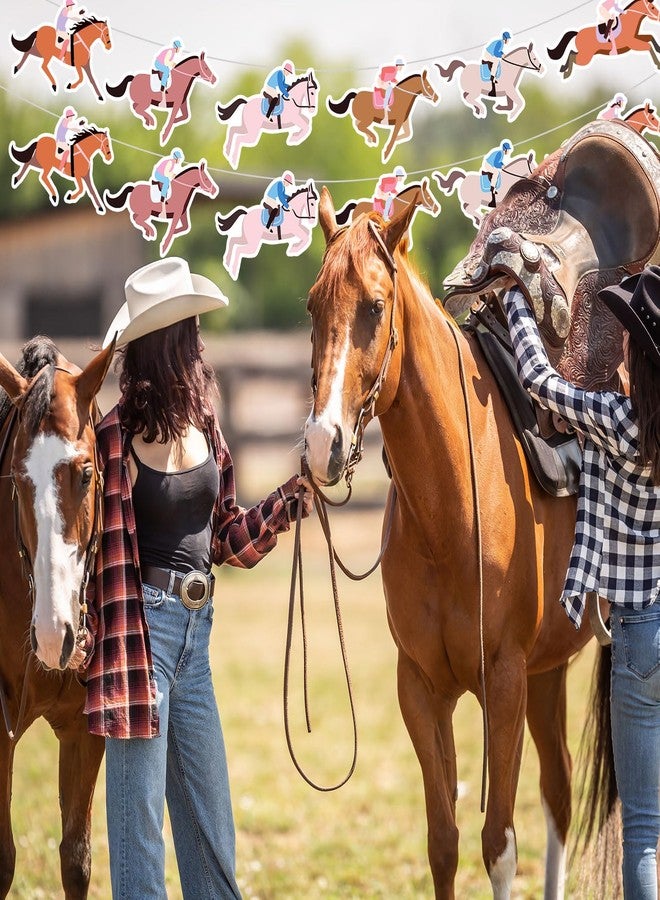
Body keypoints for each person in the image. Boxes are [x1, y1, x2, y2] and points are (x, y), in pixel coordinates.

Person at [79, 257, 313, 899]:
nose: (200, 345)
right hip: (141, 639)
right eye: (191, 333)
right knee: (140, 838)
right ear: (170, 343)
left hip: (195, 641)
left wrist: (291, 499)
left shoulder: (204, 424)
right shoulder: (114, 438)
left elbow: (226, 538)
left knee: (212, 831)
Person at [501, 268, 660, 899]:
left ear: (638, 358)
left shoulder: (619, 422)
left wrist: (515, 297)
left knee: (643, 831)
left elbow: (539, 380)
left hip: (639, 633)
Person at [152, 147, 184, 219]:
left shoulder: (173, 163)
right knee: (166, 181)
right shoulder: (170, 162)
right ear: (176, 158)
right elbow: (166, 173)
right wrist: (172, 175)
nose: (179, 160)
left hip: (162, 174)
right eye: (179, 158)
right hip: (158, 174)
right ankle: (163, 198)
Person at [480, 139, 512, 208]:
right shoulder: (500, 153)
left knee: (497, 172)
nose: (508, 151)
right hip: (488, 164)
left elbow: (499, 162)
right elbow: (495, 163)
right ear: (505, 149)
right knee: (496, 172)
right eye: (508, 149)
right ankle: (492, 188)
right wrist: (501, 166)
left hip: (490, 164)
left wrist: (503, 165)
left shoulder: (502, 154)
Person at [373, 57, 404, 125]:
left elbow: (392, 79)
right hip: (381, 80)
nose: (401, 67)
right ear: (398, 65)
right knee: (389, 89)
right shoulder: (393, 69)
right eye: (401, 66)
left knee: (390, 88)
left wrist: (398, 83)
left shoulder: (395, 71)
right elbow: (383, 69)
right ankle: (385, 106)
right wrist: (383, 80)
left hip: (384, 81)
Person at [481, 30, 511, 96]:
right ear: (505, 38)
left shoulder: (502, 43)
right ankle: (492, 76)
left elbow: (499, 51)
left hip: (490, 53)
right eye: (508, 39)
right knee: (496, 61)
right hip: (488, 54)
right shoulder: (500, 43)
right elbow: (495, 52)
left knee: (497, 60)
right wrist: (501, 56)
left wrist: (503, 54)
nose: (508, 41)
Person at [54, 106, 83, 172]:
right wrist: (78, 126)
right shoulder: (64, 121)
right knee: (68, 150)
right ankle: (61, 167)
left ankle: (65, 165)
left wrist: (78, 128)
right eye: (71, 116)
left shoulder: (66, 122)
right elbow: (70, 126)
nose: (72, 118)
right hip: (60, 140)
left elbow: (71, 126)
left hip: (63, 140)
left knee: (70, 150)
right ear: (68, 116)